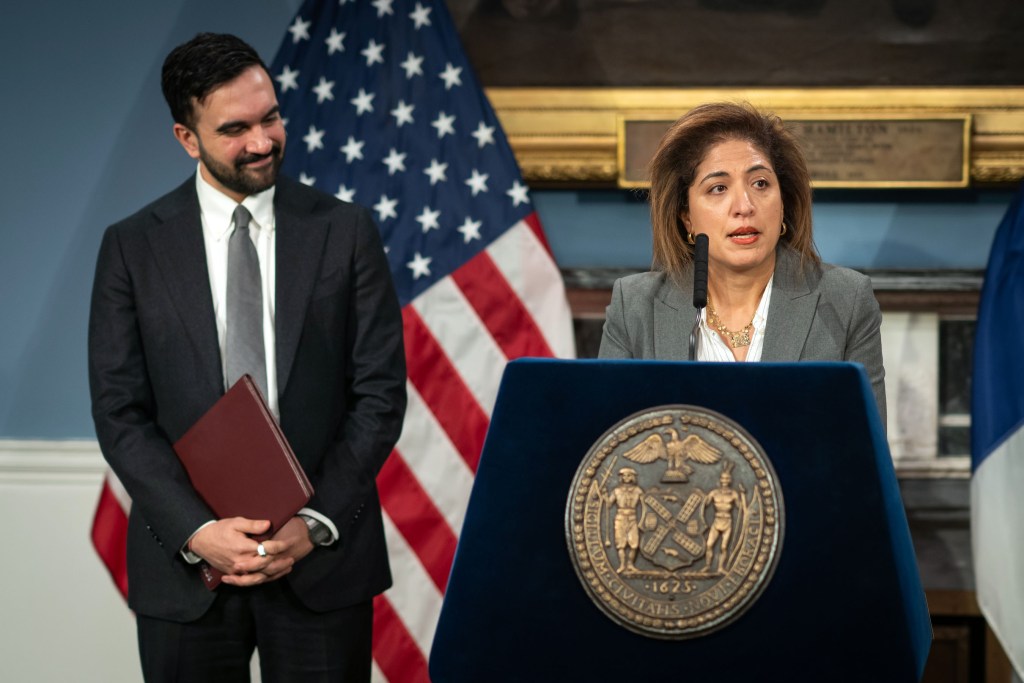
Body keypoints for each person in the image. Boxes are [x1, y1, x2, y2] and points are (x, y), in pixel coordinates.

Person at [88, 33, 406, 682]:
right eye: (235, 129)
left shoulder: (346, 230)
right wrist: (197, 530)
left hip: (320, 565)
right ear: (187, 138)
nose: (262, 142)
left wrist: (311, 524)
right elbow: (120, 411)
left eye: (271, 118)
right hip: (188, 573)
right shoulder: (131, 247)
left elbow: (379, 396)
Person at [599, 101, 886, 420]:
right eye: (718, 188)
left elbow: (864, 444)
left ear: (783, 203)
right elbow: (610, 439)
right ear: (687, 217)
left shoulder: (845, 300)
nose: (745, 206)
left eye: (760, 183)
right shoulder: (635, 307)